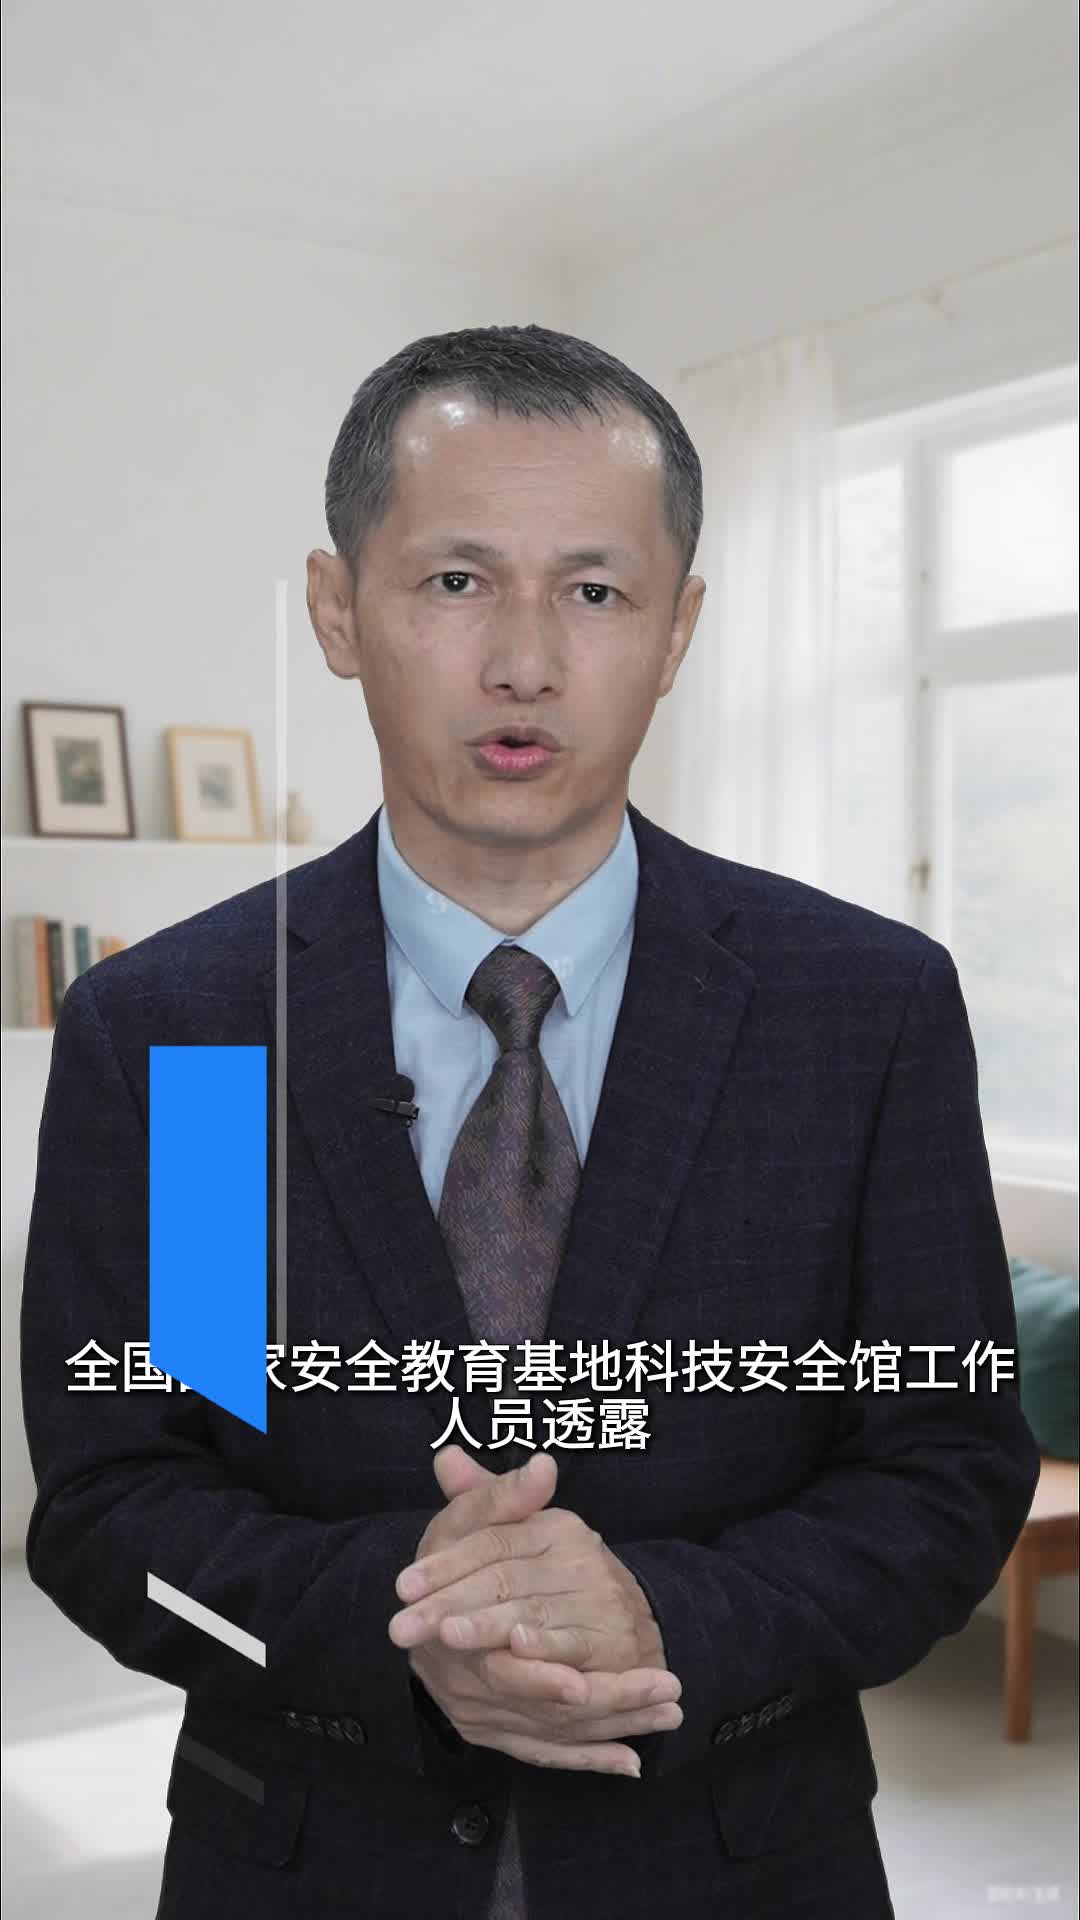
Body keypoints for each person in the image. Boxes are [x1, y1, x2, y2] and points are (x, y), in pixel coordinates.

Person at [20, 323, 1040, 1920]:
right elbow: (119, 1513)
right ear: (337, 610)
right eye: (455, 581)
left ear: (679, 627)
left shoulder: (859, 1010)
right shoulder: (198, 1034)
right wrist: (402, 1620)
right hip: (302, 1866)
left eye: (596, 591)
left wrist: (666, 1617)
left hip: (742, 1864)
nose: (525, 663)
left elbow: (945, 1471)